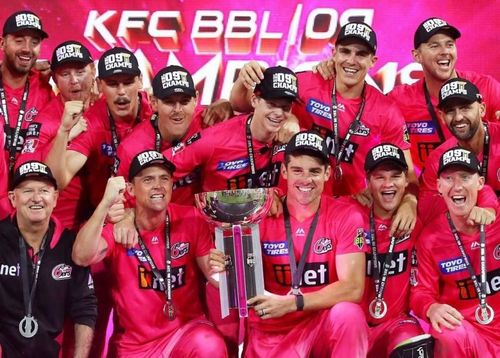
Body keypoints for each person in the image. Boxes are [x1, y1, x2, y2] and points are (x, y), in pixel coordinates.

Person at [231, 22, 417, 236]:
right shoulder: (307, 84)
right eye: (345, 51)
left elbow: (409, 174)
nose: (351, 60)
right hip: (295, 205)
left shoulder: (387, 111)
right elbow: (241, 105)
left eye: (361, 54)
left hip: (351, 209)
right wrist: (244, 81)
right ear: (334, 53)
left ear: (372, 61)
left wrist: (410, 200)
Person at [211, 130, 368, 357]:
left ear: (327, 173)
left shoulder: (346, 215)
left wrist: (294, 303)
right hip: (272, 333)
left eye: (314, 171)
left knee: (348, 314)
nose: (306, 180)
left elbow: (353, 288)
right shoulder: (258, 213)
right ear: (284, 171)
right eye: (297, 170)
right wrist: (222, 266)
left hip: (320, 325)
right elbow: (236, 280)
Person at [72, 150, 227, 357]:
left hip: (185, 333)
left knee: (210, 345)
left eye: (164, 178)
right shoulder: (119, 228)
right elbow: (81, 256)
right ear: (131, 189)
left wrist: (224, 268)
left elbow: (215, 276)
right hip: (136, 346)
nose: (158, 185)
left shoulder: (191, 219)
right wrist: (104, 206)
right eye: (148, 179)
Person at [0, 161, 96, 357]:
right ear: (13, 198)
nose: (36, 198)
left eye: (44, 190)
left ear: (55, 198)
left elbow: (84, 308)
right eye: (27, 191)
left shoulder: (71, 245)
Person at [411, 147, 500, 357]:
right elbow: (421, 291)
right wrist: (430, 307)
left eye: (465, 177)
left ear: (480, 183)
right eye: (449, 178)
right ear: (438, 186)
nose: (457, 186)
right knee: (447, 330)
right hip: (468, 330)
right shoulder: (430, 239)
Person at [346, 144, 431, 357]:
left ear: (405, 180)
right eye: (379, 177)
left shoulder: (421, 213)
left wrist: (411, 200)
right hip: (354, 326)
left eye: (395, 176)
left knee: (415, 347)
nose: (388, 184)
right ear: (367, 181)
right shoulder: (347, 214)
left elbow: (466, 195)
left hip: (396, 324)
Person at [388, 17, 500, 174]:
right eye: (434, 46)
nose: (445, 51)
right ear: (416, 55)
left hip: (484, 187)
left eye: (450, 45)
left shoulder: (486, 87)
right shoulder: (400, 99)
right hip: (429, 191)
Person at [165, 65, 298, 194]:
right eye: (271, 105)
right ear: (254, 101)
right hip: (216, 214)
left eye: (285, 108)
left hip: (267, 214)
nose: (279, 113)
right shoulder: (214, 139)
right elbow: (158, 167)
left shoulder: (293, 138)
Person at [19, 40, 96, 231]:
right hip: (60, 228)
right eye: (65, 74)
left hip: (106, 221)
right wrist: (64, 136)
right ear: (54, 78)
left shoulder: (106, 107)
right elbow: (24, 171)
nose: (74, 80)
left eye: (80, 72)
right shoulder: (46, 120)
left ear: (93, 71)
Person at [116, 65, 218, 205]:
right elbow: (120, 202)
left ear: (196, 99)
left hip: (199, 219)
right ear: (154, 103)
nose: (177, 110)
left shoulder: (210, 121)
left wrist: (227, 105)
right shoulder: (131, 149)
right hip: (154, 223)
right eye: (169, 102)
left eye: (184, 101)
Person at [419, 78, 499, 224]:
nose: (458, 117)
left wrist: (491, 207)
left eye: (465, 108)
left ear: (482, 109)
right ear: (442, 117)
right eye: (450, 111)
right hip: (468, 237)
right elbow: (429, 211)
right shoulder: (437, 159)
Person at [0, 10, 54, 174]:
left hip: (27, 189)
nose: (27, 49)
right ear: (2, 44)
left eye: (34, 42)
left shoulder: (45, 90)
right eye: (19, 40)